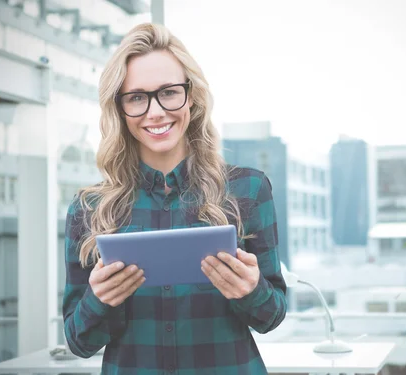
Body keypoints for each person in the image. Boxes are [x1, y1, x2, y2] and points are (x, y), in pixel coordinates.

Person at [62, 22, 288, 375]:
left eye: (168, 92)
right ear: (119, 109)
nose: (155, 112)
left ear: (191, 96)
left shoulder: (248, 190)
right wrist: (99, 300)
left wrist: (251, 289)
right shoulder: (89, 210)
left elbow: (271, 317)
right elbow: (79, 343)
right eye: (137, 97)